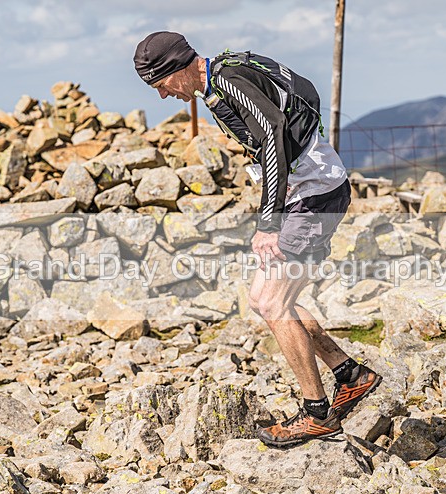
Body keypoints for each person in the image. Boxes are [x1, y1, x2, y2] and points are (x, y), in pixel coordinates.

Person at [134, 31, 381, 447]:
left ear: (178, 67)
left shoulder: (228, 80)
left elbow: (272, 131)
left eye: (161, 84)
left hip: (314, 196)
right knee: (264, 298)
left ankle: (317, 414)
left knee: (271, 301)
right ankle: (349, 374)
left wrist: (268, 221)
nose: (162, 95)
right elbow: (299, 97)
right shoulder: (222, 80)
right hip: (309, 192)